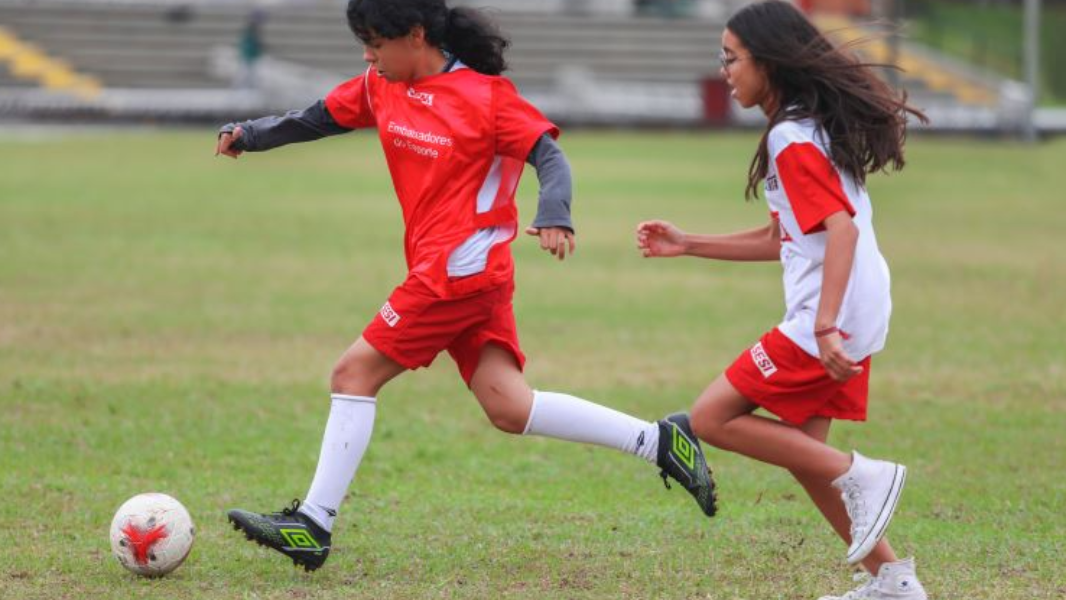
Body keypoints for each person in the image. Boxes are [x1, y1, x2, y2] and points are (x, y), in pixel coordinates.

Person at [215, 0, 716, 573]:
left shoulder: (486, 98)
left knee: (352, 375)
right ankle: (661, 442)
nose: (367, 54)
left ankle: (312, 523)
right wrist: (249, 134)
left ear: (416, 34)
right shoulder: (381, 84)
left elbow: (549, 156)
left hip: (456, 272)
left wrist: (556, 213)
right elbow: (317, 117)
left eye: (376, 41)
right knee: (509, 406)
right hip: (464, 274)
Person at [636, 2, 929, 598]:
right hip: (858, 306)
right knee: (803, 452)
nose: (725, 70)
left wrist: (823, 328)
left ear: (768, 63)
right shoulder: (805, 128)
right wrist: (688, 243)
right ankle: (894, 582)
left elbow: (840, 230)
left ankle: (864, 475)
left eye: (731, 58)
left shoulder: (793, 136)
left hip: (833, 313)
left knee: (714, 417)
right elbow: (784, 238)